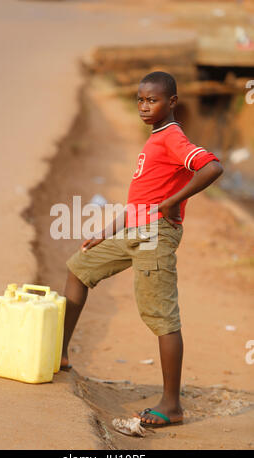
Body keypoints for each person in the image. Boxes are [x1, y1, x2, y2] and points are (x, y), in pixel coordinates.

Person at [60, 71, 223, 428]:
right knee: (79, 267)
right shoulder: (155, 139)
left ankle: (171, 405)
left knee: (161, 316)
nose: (144, 106)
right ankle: (61, 355)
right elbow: (141, 201)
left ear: (173, 102)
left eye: (153, 100)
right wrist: (105, 231)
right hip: (135, 227)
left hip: (157, 234)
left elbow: (212, 167)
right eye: (140, 100)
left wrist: (173, 201)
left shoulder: (173, 137)